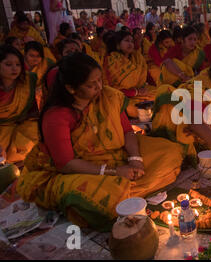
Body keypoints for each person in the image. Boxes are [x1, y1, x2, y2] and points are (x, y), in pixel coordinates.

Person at [17, 53, 184, 231]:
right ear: (72, 89)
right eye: (91, 84)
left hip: (118, 154)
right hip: (81, 170)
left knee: (170, 152)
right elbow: (66, 164)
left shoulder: (109, 96)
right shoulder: (57, 116)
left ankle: (127, 191)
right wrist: (115, 171)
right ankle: (122, 192)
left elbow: (127, 131)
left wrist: (136, 158)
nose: (99, 87)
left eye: (100, 80)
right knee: (99, 197)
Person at [152, 56, 211, 159]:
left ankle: (208, 137)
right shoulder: (198, 87)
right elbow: (196, 123)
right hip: (186, 126)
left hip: (209, 126)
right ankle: (204, 141)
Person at [0, 45, 39, 164]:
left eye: (18, 65)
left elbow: (33, 112)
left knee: (35, 132)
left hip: (22, 124)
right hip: (1, 128)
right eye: (8, 64)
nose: (14, 69)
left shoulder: (27, 81)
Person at [103, 31, 156, 118]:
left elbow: (147, 76)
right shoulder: (111, 60)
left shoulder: (137, 57)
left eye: (131, 41)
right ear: (118, 44)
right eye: (127, 40)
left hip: (141, 93)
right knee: (135, 108)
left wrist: (154, 87)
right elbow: (110, 88)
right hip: (122, 97)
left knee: (160, 94)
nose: (130, 43)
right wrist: (135, 92)